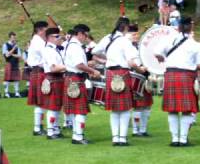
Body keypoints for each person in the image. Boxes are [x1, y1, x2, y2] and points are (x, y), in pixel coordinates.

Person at [154, 17, 200, 147]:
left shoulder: (168, 39)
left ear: (178, 27)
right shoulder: (195, 44)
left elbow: (156, 53)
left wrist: (165, 59)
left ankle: (174, 139)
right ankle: (183, 139)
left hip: (171, 74)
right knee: (187, 109)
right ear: (190, 28)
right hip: (186, 76)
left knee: (172, 109)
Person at [92, 17, 141, 146]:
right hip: (122, 73)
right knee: (124, 109)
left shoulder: (107, 37)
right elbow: (131, 61)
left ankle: (115, 138)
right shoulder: (125, 41)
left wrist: (106, 60)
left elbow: (94, 51)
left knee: (114, 109)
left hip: (110, 73)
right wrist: (140, 69)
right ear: (125, 28)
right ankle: (122, 138)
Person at [63, 24, 100, 145]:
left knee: (75, 110)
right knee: (80, 110)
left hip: (72, 78)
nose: (86, 37)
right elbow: (79, 65)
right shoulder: (75, 47)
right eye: (85, 35)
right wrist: (92, 71)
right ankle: (78, 137)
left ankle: (76, 135)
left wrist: (88, 66)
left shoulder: (72, 45)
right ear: (79, 34)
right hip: (76, 78)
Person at [127, 24, 153, 137]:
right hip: (134, 77)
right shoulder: (127, 47)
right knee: (138, 105)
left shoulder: (140, 46)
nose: (136, 36)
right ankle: (135, 130)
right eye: (133, 34)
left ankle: (143, 129)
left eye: (137, 34)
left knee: (147, 104)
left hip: (145, 77)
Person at [42, 27, 66, 139]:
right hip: (54, 78)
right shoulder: (49, 50)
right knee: (53, 107)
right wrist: (69, 67)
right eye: (56, 36)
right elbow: (53, 68)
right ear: (49, 38)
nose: (59, 38)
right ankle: (50, 131)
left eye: (59, 36)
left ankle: (55, 129)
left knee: (57, 106)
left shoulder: (54, 49)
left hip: (58, 78)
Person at [27, 21, 48, 136]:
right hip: (40, 72)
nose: (47, 32)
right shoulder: (38, 42)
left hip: (38, 72)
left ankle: (39, 126)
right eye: (46, 30)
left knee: (41, 102)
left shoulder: (38, 40)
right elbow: (47, 56)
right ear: (40, 30)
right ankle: (37, 128)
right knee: (40, 102)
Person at [2, 32, 22, 98]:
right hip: (9, 63)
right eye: (13, 37)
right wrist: (13, 49)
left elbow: (19, 55)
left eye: (15, 37)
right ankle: (6, 93)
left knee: (16, 79)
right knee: (7, 79)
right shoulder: (5, 45)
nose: (14, 38)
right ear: (10, 37)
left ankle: (17, 93)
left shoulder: (16, 45)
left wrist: (12, 54)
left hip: (15, 63)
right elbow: (7, 55)